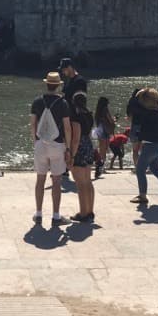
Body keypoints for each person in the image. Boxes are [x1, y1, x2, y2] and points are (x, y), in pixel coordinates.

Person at [30, 71, 72, 227]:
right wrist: (68, 148)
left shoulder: (37, 101)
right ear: (58, 86)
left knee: (40, 179)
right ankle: (55, 216)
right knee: (56, 181)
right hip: (57, 144)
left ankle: (39, 213)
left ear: (46, 84)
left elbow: (33, 124)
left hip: (41, 143)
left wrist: (36, 142)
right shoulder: (63, 103)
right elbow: (67, 128)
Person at [69, 91, 95, 222]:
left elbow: (76, 138)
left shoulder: (76, 115)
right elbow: (89, 133)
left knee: (80, 183)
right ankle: (90, 211)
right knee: (88, 180)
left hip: (80, 147)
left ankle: (83, 213)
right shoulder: (89, 114)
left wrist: (72, 156)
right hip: (89, 145)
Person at [94, 97, 115, 176]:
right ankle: (102, 167)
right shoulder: (105, 109)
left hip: (99, 129)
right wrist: (114, 121)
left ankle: (99, 165)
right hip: (105, 130)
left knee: (101, 149)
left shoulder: (98, 111)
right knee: (104, 149)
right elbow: (110, 119)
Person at [126, 87, 142, 169]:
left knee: (135, 150)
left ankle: (137, 167)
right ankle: (144, 167)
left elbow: (129, 117)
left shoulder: (131, 103)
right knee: (144, 149)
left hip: (135, 126)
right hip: (144, 127)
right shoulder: (144, 103)